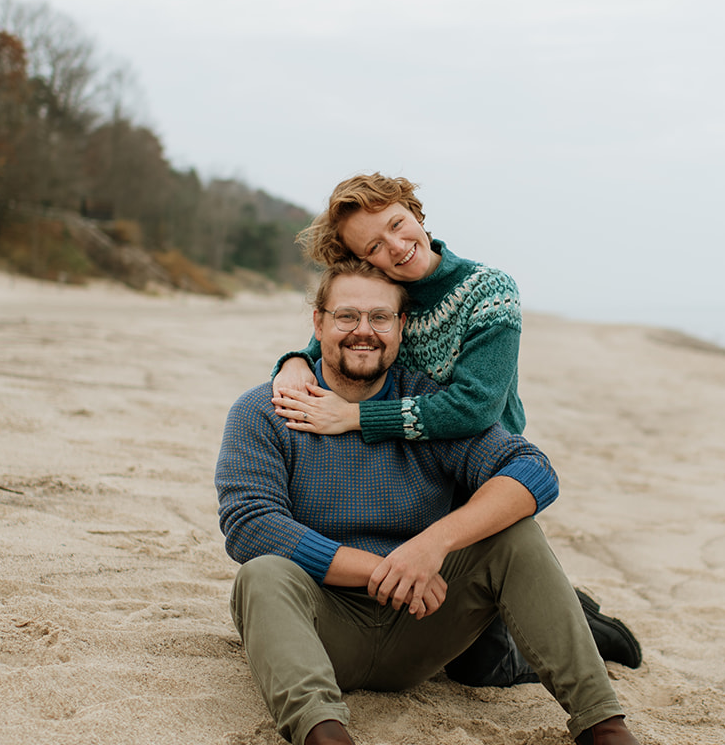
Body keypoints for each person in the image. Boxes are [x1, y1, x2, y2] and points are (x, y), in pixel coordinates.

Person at [217, 259, 692, 745]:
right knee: (262, 574)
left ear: (401, 327)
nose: (362, 329)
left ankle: (602, 736)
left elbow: (533, 472)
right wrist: (379, 570)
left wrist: (432, 544)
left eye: (379, 316)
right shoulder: (264, 410)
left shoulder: (424, 411)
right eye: (346, 315)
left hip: (425, 623)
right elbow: (249, 523)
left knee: (512, 533)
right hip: (323, 628)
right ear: (317, 323)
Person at [269, 173, 640, 687]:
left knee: (477, 668)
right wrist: (290, 364)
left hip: (479, 477)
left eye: (399, 225)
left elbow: (475, 406)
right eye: (374, 246)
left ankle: (590, 628)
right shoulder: (388, 295)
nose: (397, 247)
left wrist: (358, 417)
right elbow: (330, 348)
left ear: (416, 213)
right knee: (423, 616)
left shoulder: (487, 291)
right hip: (416, 481)